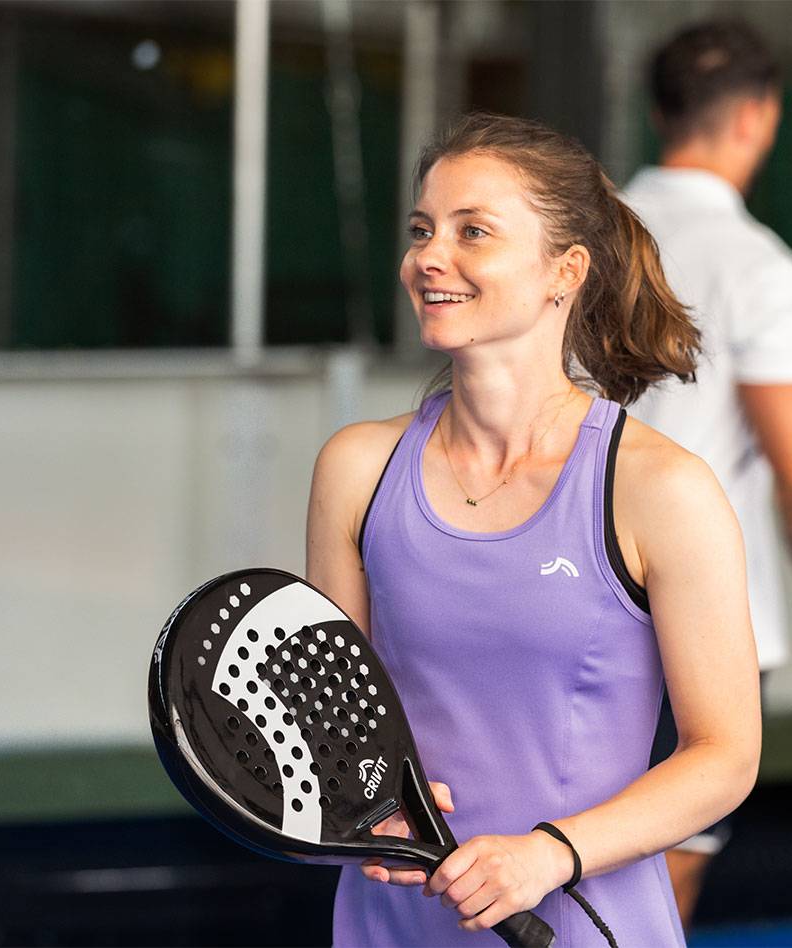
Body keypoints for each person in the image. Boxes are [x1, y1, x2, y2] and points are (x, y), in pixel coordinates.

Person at [306, 113, 760, 946]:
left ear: (565, 271)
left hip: (583, 925)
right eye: (421, 230)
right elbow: (342, 725)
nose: (428, 258)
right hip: (389, 927)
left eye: (472, 231)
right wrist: (358, 800)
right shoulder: (356, 470)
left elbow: (725, 755)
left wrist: (550, 854)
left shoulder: (660, 490)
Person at [623, 19, 792, 926]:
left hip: (552, 601)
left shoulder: (574, 242)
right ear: (760, 118)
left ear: (660, 113)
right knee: (651, 897)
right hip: (696, 628)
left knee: (529, 870)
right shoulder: (761, 270)